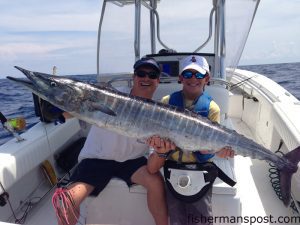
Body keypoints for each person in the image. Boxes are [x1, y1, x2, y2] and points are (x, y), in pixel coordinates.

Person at [52, 57, 168, 225]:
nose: (146, 78)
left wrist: (161, 151)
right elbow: (79, 107)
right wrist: (59, 114)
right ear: (134, 77)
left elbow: (153, 165)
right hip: (97, 158)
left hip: (131, 161)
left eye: (152, 75)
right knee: (66, 201)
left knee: (156, 182)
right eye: (141, 73)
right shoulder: (112, 95)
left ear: (157, 81)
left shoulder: (158, 113)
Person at [147, 55, 235, 225]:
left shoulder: (212, 108)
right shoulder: (167, 102)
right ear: (181, 78)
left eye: (199, 75)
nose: (193, 79)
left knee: (201, 218)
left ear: (206, 79)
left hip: (200, 170)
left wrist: (220, 151)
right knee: (176, 218)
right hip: (172, 168)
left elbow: (209, 147)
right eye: (187, 75)